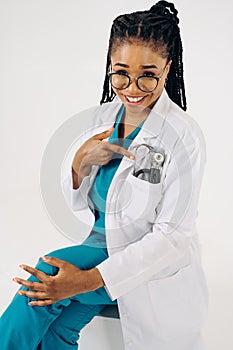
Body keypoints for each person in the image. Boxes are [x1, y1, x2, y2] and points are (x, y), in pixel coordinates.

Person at [0, 1, 208, 349]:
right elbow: (81, 203)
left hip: (140, 263)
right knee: (57, 330)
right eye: (121, 72)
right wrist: (80, 162)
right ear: (109, 68)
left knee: (47, 276)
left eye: (148, 74)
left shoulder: (183, 135)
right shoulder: (102, 119)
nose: (132, 87)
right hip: (99, 245)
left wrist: (87, 280)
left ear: (168, 68)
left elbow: (173, 236)